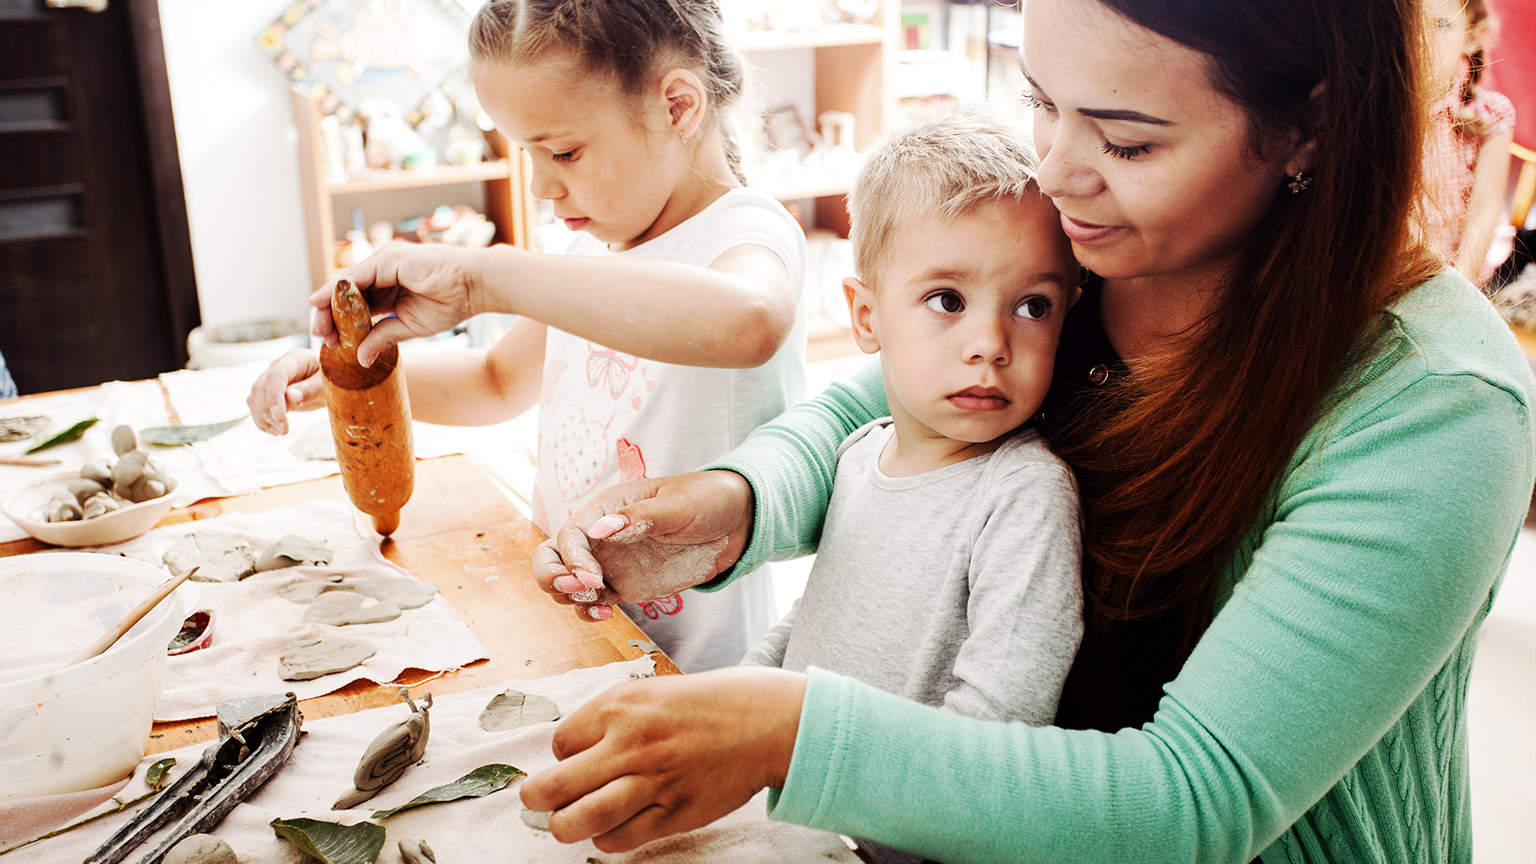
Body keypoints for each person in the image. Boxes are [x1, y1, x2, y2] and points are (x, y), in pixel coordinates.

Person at [522, 0, 1536, 861]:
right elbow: (867, 403)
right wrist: (739, 502)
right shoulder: (1075, 260)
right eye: (1040, 101)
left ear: (1310, 125)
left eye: (1127, 140)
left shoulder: (1438, 406)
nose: (1055, 172)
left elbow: (1195, 799)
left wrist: (793, 733)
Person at [248, 0, 806, 673]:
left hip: (694, 661)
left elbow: (748, 321)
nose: (540, 185)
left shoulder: (744, 230)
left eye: (563, 151)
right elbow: (495, 381)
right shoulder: (594, 261)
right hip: (584, 622)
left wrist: (491, 276)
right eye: (525, 154)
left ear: (678, 107)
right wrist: (352, 377)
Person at [739, 111, 1084, 864]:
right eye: (947, 301)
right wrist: (733, 699)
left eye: (1033, 306)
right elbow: (813, 619)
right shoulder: (861, 455)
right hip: (795, 825)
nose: (991, 344)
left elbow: (1000, 724)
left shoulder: (1025, 493)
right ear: (867, 317)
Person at [1424, 0, 1516, 289]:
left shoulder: (1490, 116)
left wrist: (1457, 289)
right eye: (1410, 27)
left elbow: (1484, 212)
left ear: (1472, 36)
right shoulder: (1372, 109)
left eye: (1441, 25)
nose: (1421, 41)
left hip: (1448, 281)